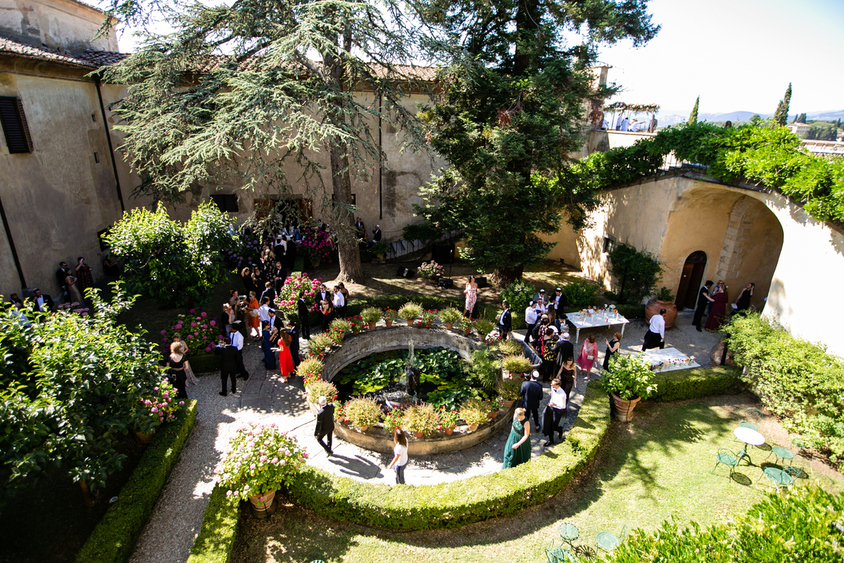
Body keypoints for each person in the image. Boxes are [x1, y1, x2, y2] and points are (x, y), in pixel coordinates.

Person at [542, 378, 567, 446]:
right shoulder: (553, 388)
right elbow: (552, 396)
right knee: (549, 425)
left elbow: (563, 406)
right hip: (551, 408)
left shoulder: (562, 394)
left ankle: (559, 429)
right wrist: (551, 403)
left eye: (552, 384)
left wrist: (555, 404)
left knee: (554, 426)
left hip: (558, 410)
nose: (551, 385)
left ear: (557, 385)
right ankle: (551, 440)